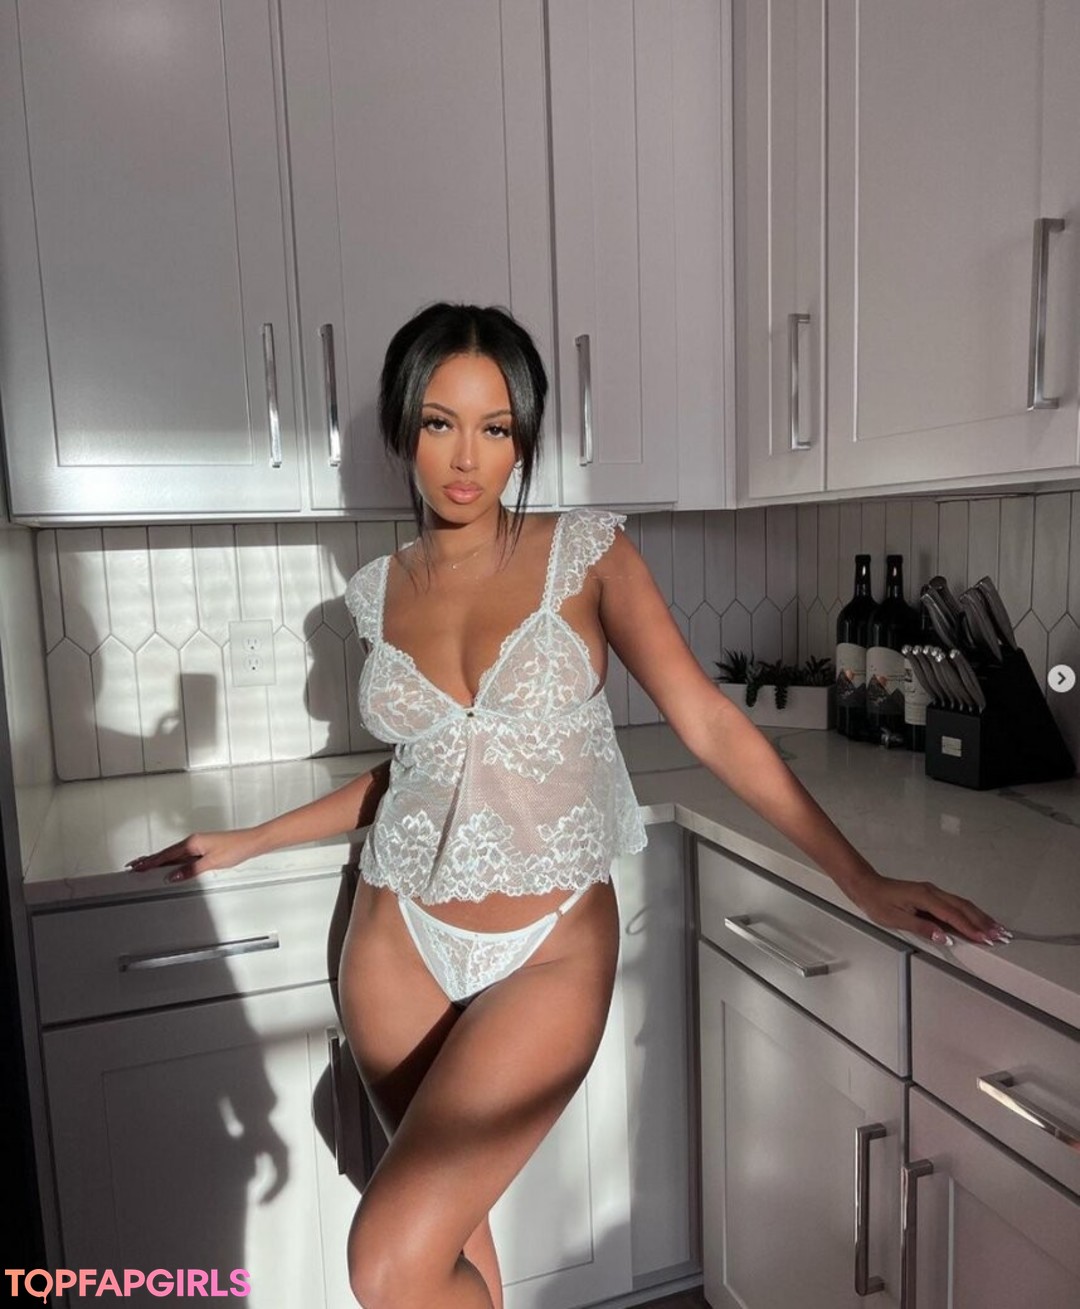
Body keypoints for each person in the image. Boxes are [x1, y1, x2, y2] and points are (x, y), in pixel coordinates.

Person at [128, 303, 1007, 1309]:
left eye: (495, 427)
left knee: (389, 1261)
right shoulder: (377, 591)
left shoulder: (587, 555)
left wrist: (860, 876)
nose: (467, 458)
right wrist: (252, 838)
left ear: (525, 440)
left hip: (548, 946)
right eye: (439, 423)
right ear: (403, 430)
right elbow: (420, 774)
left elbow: (710, 724)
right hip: (394, 940)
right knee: (448, 1243)